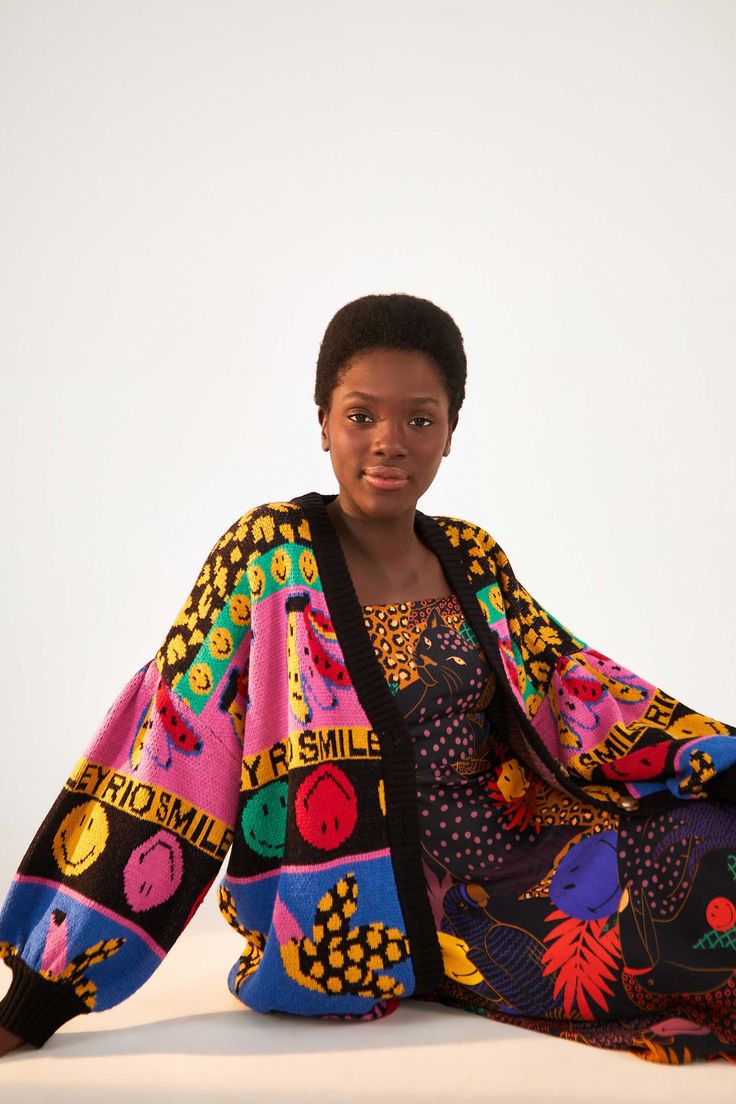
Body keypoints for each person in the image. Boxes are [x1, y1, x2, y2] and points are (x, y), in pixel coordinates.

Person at [1, 292, 735, 1064]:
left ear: (450, 433)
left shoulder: (472, 557)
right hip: (413, 910)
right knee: (681, 916)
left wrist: (713, 755)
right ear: (323, 422)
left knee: (711, 842)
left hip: (531, 844)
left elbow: (575, 688)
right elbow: (170, 751)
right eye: (361, 416)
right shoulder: (269, 558)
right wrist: (39, 993)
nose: (389, 442)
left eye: (420, 419)